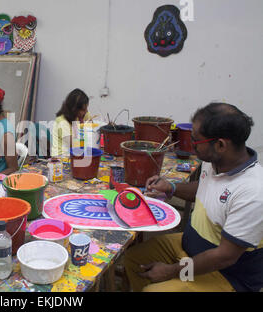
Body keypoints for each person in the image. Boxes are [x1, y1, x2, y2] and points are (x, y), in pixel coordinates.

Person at [124, 102, 263, 292]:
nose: (190, 144)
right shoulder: (215, 161)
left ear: (221, 145)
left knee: (154, 290)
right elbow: (205, 189)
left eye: (195, 141)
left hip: (226, 275)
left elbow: (225, 257)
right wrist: (171, 187)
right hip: (190, 250)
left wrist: (171, 272)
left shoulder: (253, 193)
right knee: (133, 259)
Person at [51, 88, 92, 157]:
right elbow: (74, 144)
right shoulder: (62, 122)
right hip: (61, 157)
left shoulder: (82, 114)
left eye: (86, 108)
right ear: (74, 109)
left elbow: (92, 130)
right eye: (83, 109)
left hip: (76, 153)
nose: (86, 111)